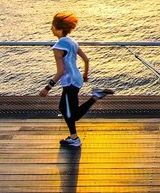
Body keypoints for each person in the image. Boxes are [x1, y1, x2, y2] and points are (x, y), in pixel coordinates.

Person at [39, 12, 113, 147]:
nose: (51, 29)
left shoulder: (58, 47)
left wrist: (47, 88)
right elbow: (86, 59)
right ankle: (73, 137)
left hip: (70, 82)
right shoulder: (72, 42)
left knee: (71, 114)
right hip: (77, 79)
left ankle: (95, 98)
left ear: (60, 29)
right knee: (64, 108)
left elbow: (60, 71)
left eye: (53, 27)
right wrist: (85, 75)